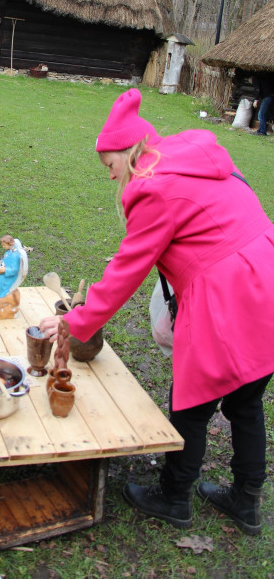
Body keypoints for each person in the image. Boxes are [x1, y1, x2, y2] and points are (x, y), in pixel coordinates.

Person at [40, 88, 274, 535]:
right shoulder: (188, 153)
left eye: (109, 165)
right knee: (246, 401)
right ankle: (246, 501)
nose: (110, 177)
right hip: (266, 274)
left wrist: (74, 322)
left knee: (193, 402)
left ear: (128, 155)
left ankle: (174, 495)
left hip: (229, 291)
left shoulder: (150, 186)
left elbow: (128, 270)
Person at [0, 235, 28, 319]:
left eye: (4, 245)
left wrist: (4, 270)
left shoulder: (16, 256)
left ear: (10, 244)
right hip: (5, 272)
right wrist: (0, 264)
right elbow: (5, 260)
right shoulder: (8, 252)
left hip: (11, 276)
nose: (3, 247)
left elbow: (14, 270)